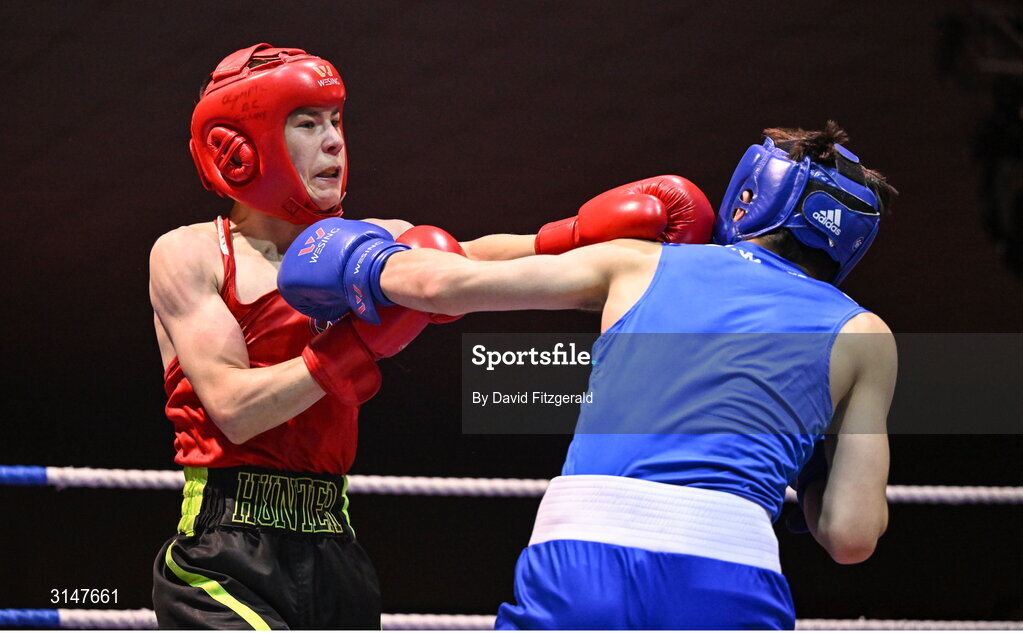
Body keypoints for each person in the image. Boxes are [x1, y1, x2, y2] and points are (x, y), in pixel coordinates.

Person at [149, 42, 714, 629]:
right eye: (307, 122)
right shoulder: (191, 253)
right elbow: (234, 409)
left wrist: (582, 235)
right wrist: (358, 345)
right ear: (242, 147)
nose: (334, 141)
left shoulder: (366, 247)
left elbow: (468, 262)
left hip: (335, 545)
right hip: (224, 549)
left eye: (337, 120)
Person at [276, 121, 898, 630]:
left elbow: (443, 285)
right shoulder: (865, 335)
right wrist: (814, 473)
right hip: (730, 565)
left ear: (751, 193)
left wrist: (357, 258)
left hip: (582, 552)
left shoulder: (642, 263)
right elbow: (850, 536)